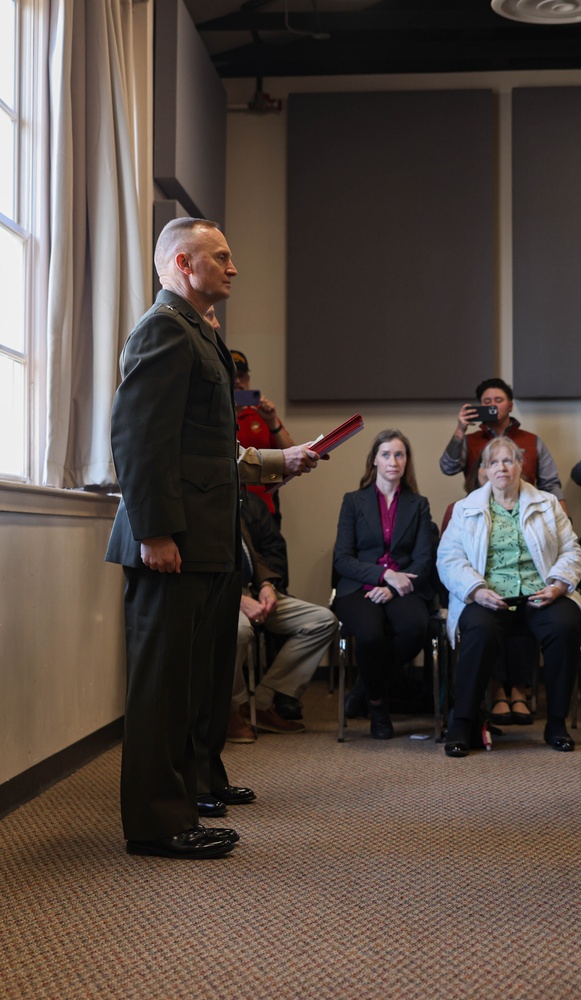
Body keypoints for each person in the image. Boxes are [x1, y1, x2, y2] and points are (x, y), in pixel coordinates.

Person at [106, 217, 320, 860]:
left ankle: (183, 801)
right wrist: (156, 533)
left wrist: (280, 461)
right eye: (220, 257)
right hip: (171, 541)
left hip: (203, 541)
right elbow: (139, 440)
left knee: (190, 684)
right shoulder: (164, 329)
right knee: (161, 687)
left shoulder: (195, 332)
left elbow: (204, 450)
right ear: (180, 263)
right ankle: (155, 824)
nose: (233, 268)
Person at [437, 437, 581, 757]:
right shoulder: (465, 509)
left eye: (508, 461)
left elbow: (572, 550)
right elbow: (448, 559)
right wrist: (476, 591)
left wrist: (559, 585)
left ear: (521, 466)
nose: (502, 467)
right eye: (494, 462)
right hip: (488, 597)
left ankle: (557, 723)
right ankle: (462, 723)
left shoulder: (547, 504)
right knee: (479, 629)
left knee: (565, 625)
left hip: (540, 594)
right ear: (484, 471)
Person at [333, 430, 438, 740]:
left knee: (415, 628)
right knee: (369, 635)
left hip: (403, 587)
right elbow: (342, 559)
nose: (393, 460)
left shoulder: (418, 504)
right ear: (374, 461)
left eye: (400, 454)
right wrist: (382, 576)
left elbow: (422, 560)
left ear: (407, 462)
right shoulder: (353, 501)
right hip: (359, 587)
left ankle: (365, 688)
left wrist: (393, 586)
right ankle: (378, 707)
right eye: (386, 454)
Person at [225, 491, 338, 746]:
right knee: (240, 632)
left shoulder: (237, 502)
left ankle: (263, 702)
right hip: (224, 597)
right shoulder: (201, 505)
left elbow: (253, 555)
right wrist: (238, 600)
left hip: (255, 589)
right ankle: (233, 709)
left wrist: (266, 585)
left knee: (322, 620)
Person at [440, 377, 566, 507]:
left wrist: (564, 518)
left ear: (510, 406)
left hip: (525, 509)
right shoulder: (469, 441)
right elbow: (448, 469)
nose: (492, 405)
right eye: (487, 401)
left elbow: (550, 485)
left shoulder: (532, 441)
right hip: (480, 510)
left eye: (498, 400)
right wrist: (460, 430)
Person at [229, 344, 296, 526]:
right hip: (228, 509)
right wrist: (230, 414)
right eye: (232, 377)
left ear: (249, 378)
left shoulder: (261, 413)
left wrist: (272, 422)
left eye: (242, 377)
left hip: (264, 510)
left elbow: (293, 455)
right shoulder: (214, 416)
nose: (238, 383)